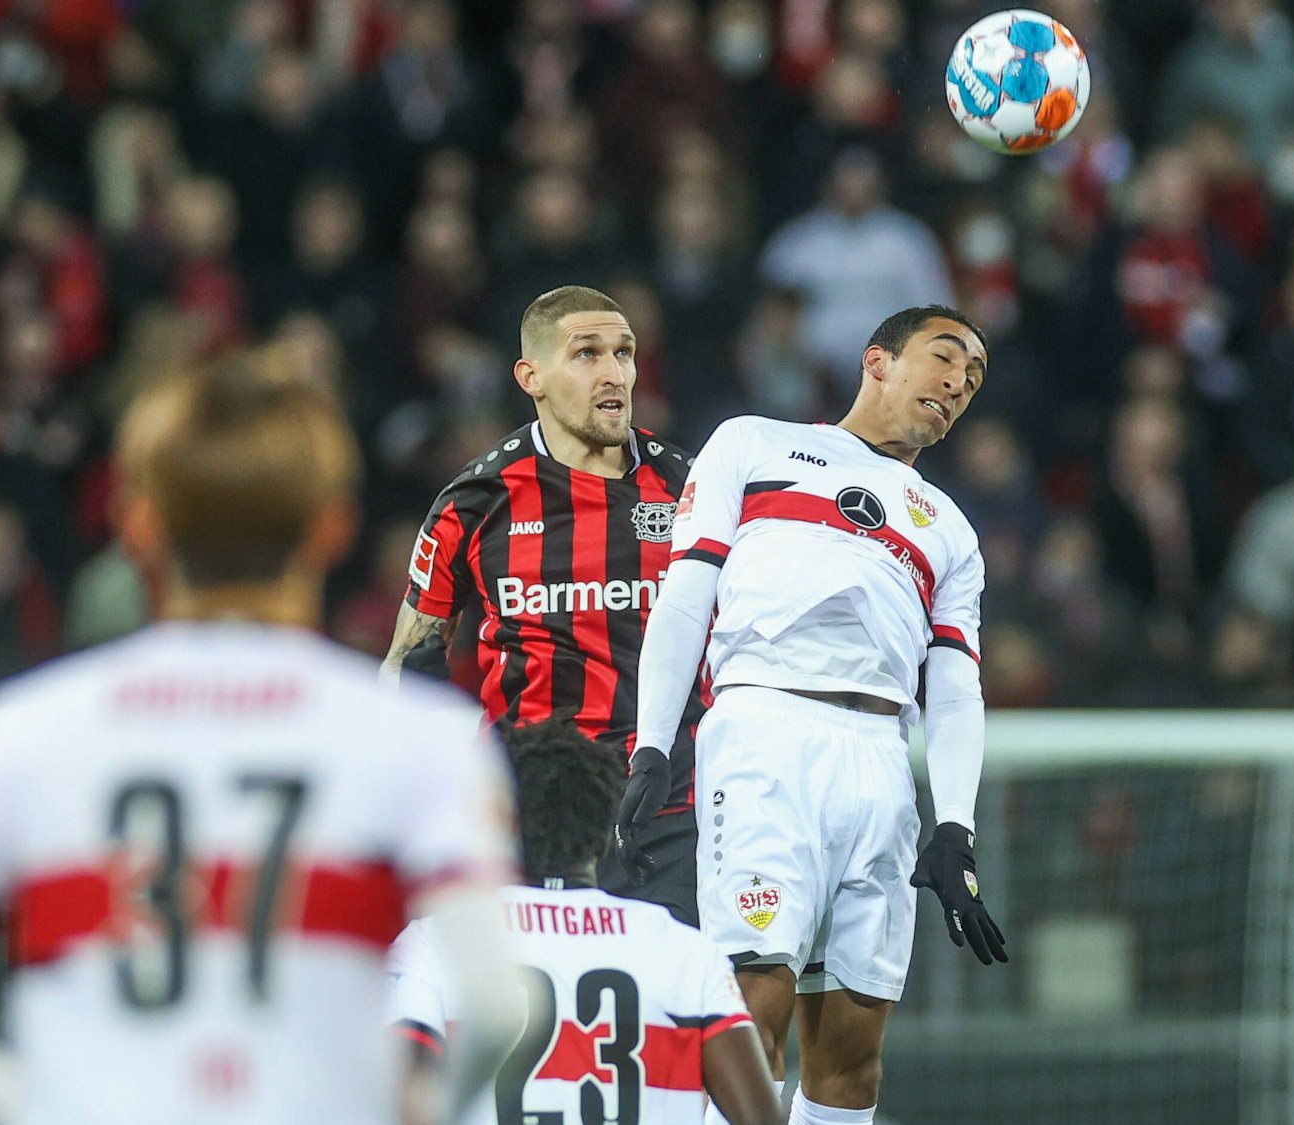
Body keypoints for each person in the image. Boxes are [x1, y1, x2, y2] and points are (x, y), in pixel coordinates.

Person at [0, 353, 523, 1124]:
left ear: (138, 524)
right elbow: (496, 1002)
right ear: (333, 528)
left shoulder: (24, 729)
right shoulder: (421, 736)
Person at [620, 305, 1009, 1125]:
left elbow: (955, 685)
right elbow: (686, 593)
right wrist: (653, 743)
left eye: (973, 378)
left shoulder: (952, 532)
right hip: (765, 732)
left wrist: (957, 827)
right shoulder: (752, 443)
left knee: (853, 1053)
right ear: (877, 360)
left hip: (880, 762)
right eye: (945, 358)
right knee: (748, 1011)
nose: (958, 383)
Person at [381, 284, 702, 924]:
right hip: (532, 813)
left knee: (673, 1016)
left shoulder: (689, 489)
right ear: (532, 377)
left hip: (673, 813)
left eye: (625, 353)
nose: (615, 373)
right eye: (587, 354)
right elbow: (403, 664)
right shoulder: (476, 501)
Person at [387, 719, 783, 1125]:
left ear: (502, 824)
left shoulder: (436, 941)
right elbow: (761, 1119)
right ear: (605, 833)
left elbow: (394, 1099)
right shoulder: (685, 950)